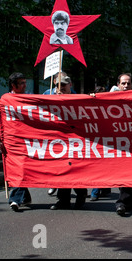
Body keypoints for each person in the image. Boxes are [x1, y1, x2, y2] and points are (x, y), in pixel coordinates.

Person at [50, 74, 88, 210]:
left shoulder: (78, 99)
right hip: (59, 140)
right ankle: (63, 199)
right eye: (57, 86)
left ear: (70, 85)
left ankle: (81, 194)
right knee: (62, 169)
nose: (60, 89)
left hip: (75, 140)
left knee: (76, 169)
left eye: (63, 86)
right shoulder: (50, 98)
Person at [0, 72, 32, 212]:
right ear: (13, 85)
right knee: (18, 168)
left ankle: (18, 198)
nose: (25, 85)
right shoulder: (5, 100)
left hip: (26, 141)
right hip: (12, 141)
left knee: (21, 168)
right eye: (21, 83)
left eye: (25, 82)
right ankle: (18, 198)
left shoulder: (29, 98)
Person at [113, 73, 132, 216]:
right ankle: (122, 202)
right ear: (118, 85)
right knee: (123, 171)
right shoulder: (110, 99)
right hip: (119, 143)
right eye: (123, 83)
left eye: (128, 83)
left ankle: (129, 200)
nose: (126, 86)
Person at [89, 86, 112, 201]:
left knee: (101, 167)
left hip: (107, 142)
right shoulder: (90, 106)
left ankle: (97, 191)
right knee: (97, 167)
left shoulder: (110, 106)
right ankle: (98, 190)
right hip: (95, 141)